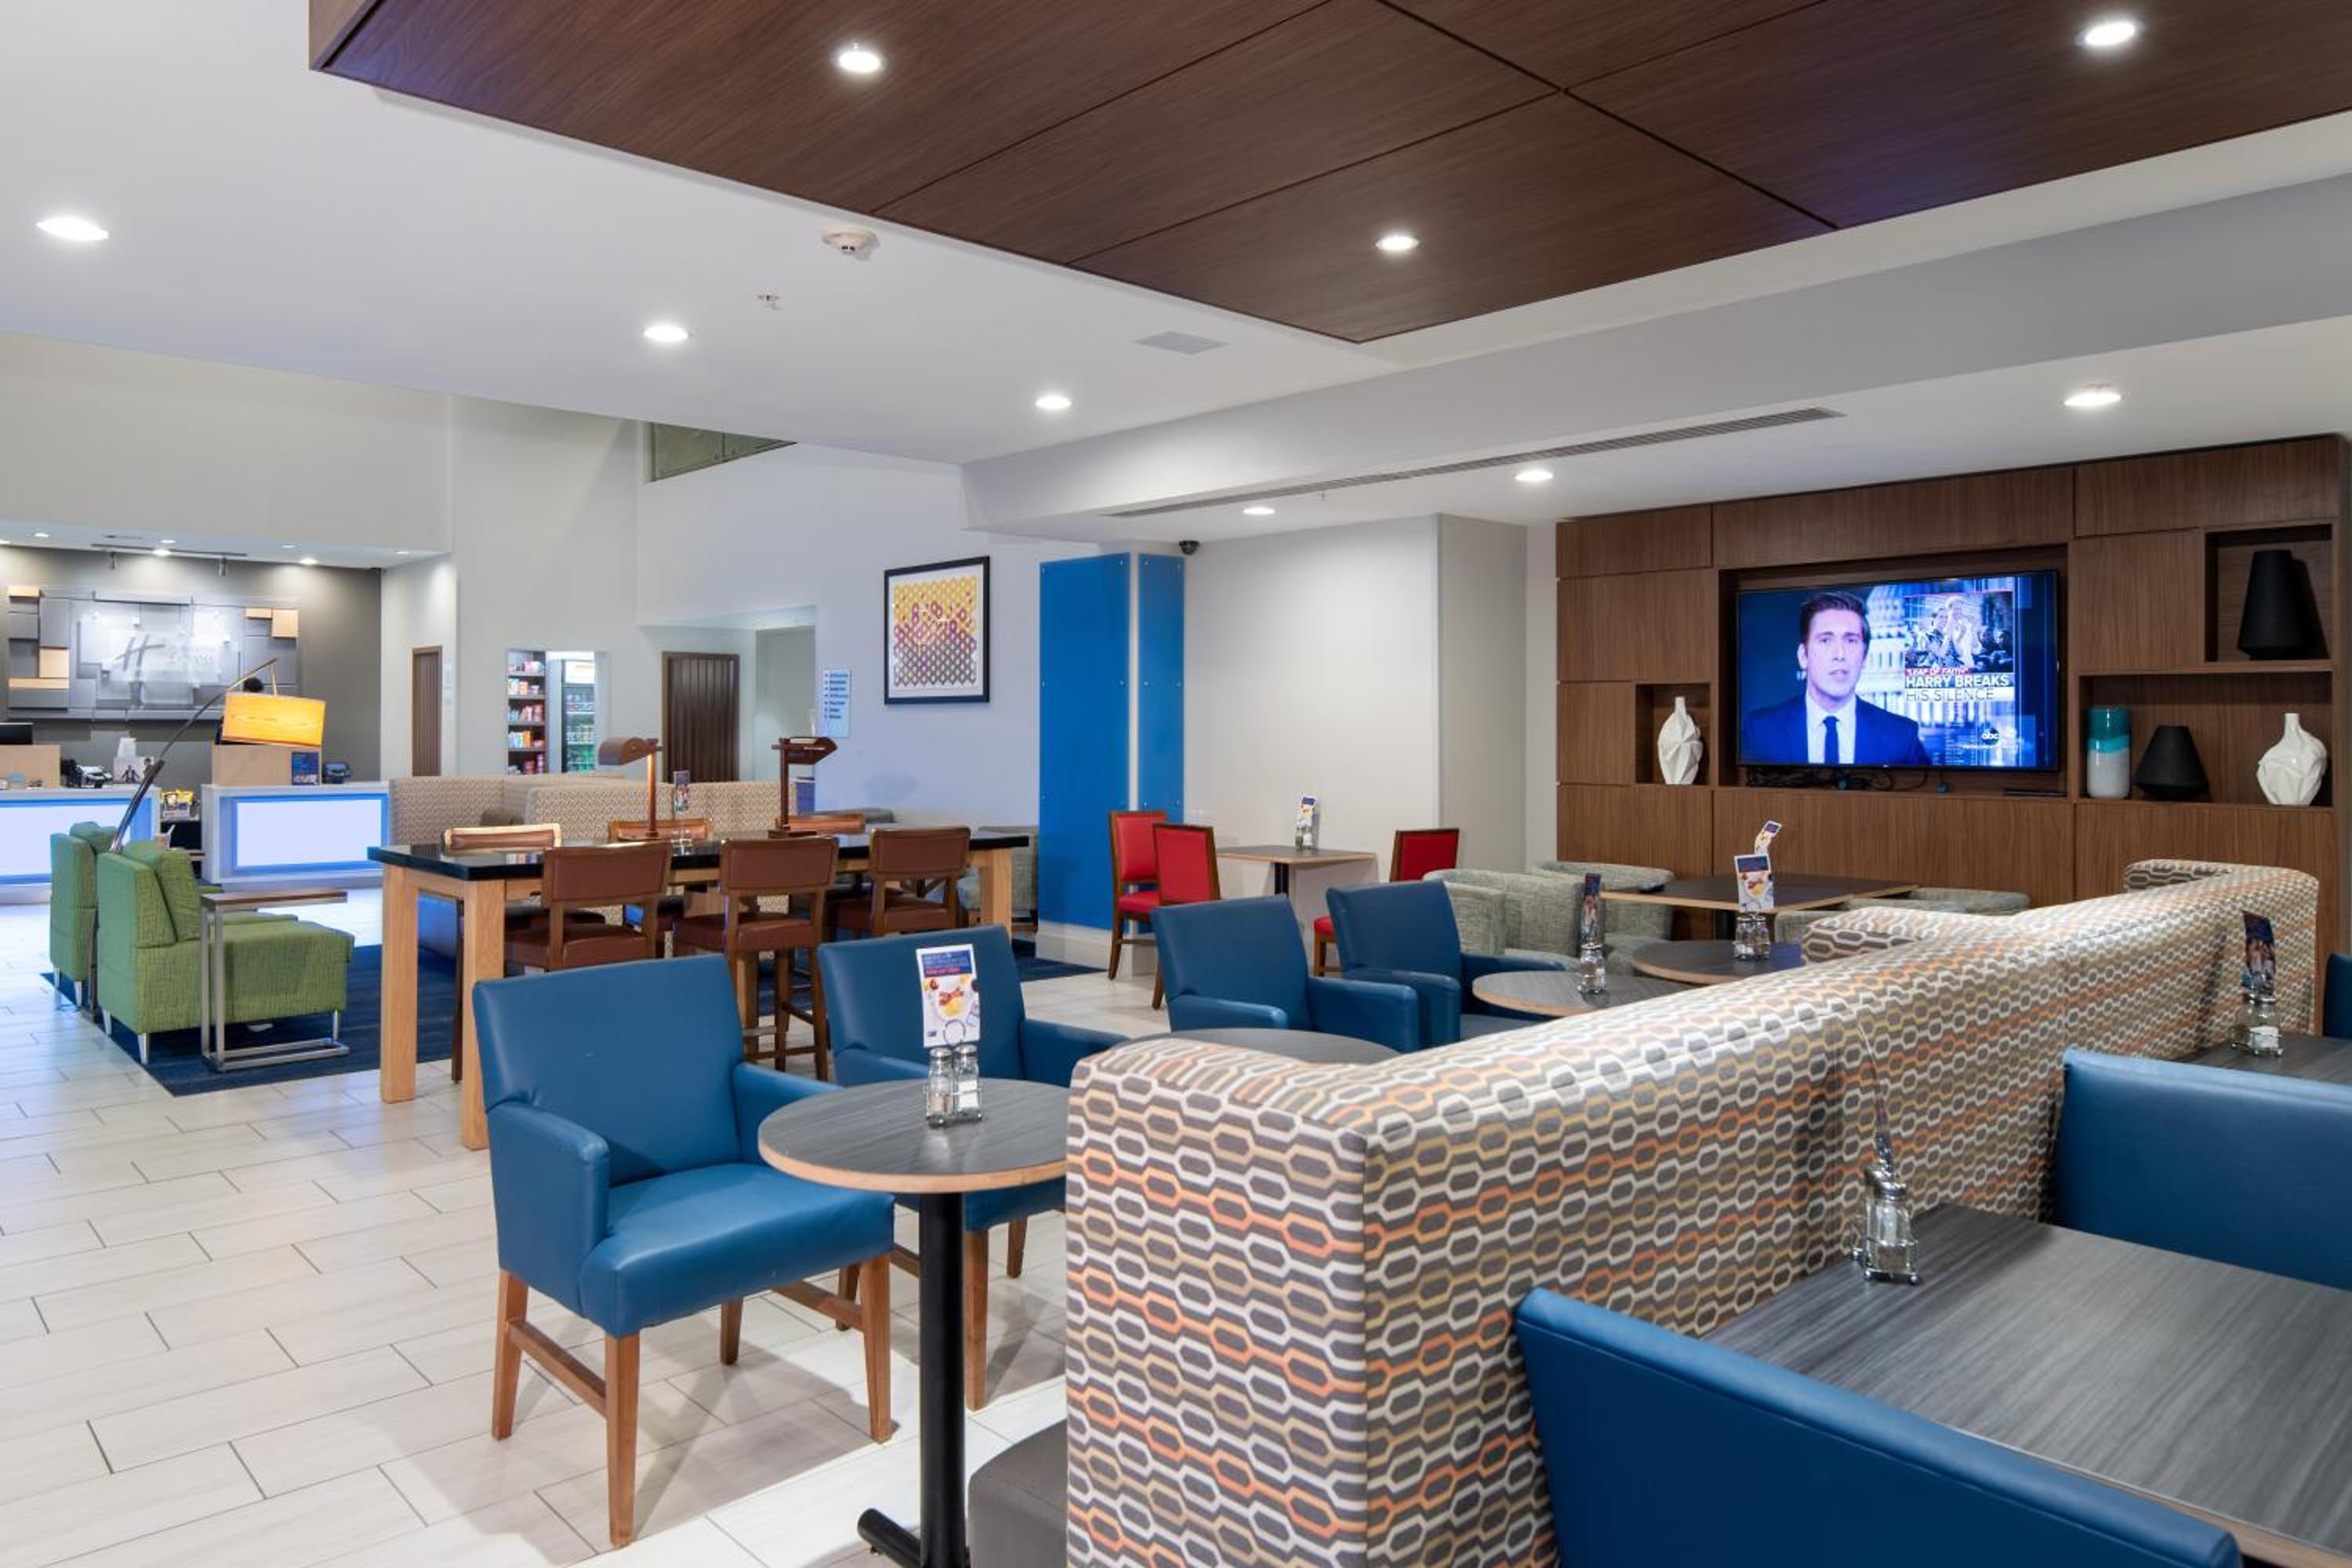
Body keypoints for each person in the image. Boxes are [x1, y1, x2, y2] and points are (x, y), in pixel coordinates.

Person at [1741, 590, 1931, 767]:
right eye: (1825, 640)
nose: (1840, 654)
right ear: (1803, 656)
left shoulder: (1902, 737)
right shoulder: (1760, 731)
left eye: (1851, 641)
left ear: (1865, 657)